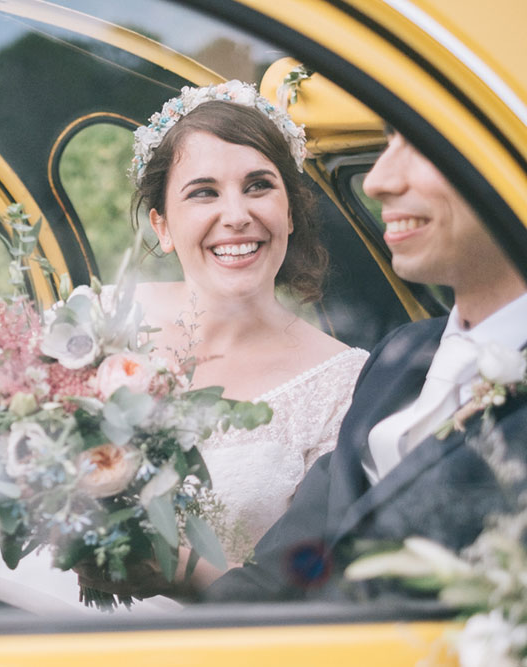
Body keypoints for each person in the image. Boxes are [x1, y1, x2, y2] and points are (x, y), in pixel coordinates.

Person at [0, 81, 370, 602]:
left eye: (259, 186)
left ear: (290, 211)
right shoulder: (105, 315)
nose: (236, 214)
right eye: (204, 192)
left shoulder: (347, 386)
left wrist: (179, 569)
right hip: (14, 611)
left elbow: (304, 587)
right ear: (161, 225)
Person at [202, 128, 527, 602]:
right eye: (387, 144)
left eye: (423, 142)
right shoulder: (400, 355)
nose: (377, 180)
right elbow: (283, 568)